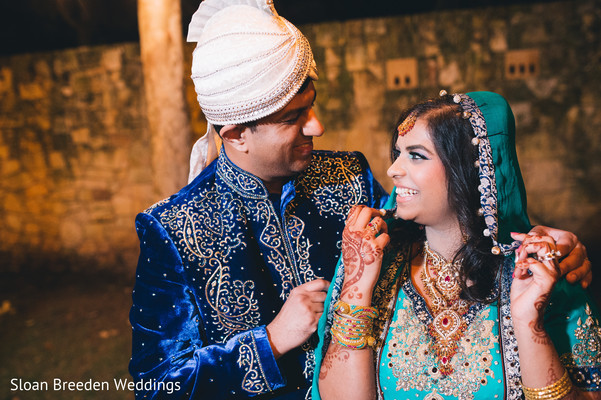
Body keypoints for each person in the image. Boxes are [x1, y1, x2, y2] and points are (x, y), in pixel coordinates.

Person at [129, 0, 591, 397]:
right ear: (236, 134)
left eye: (312, 104)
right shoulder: (174, 227)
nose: (317, 126)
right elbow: (156, 385)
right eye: (295, 117)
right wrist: (270, 341)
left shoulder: (346, 176)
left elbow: (447, 209)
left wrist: (553, 250)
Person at [314, 91, 601, 400]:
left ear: (470, 168)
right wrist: (358, 285)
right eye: (398, 153)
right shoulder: (372, 263)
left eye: (417, 155)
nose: (393, 170)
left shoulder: (539, 277)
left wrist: (529, 324)